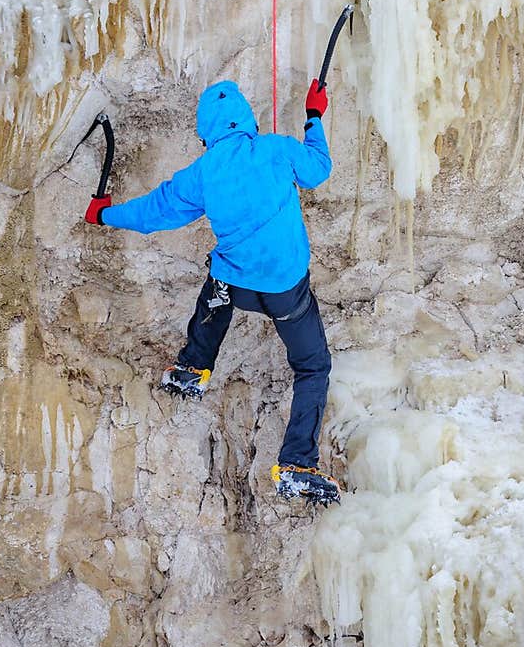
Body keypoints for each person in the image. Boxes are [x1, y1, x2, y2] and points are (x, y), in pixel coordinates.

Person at [85, 78, 339, 503]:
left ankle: (191, 370)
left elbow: (155, 212)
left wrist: (106, 215)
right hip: (284, 290)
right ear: (246, 119)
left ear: (207, 132)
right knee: (313, 367)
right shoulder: (275, 149)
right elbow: (318, 169)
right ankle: (297, 463)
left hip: (236, 285)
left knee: (216, 288)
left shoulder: (203, 173)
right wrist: (314, 116)